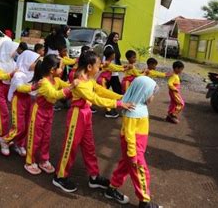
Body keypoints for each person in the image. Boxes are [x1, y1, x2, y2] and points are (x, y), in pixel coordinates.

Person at [52, 51, 134, 193]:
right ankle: (60, 176)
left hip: (85, 114)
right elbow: (95, 99)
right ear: (89, 67)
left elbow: (101, 91)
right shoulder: (80, 82)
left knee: (89, 147)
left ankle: (94, 177)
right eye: (98, 65)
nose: (100, 67)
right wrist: (119, 103)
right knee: (70, 146)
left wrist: (122, 97)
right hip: (76, 116)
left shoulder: (89, 79)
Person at [105, 76, 160, 208]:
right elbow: (129, 135)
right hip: (134, 148)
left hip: (135, 146)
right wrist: (133, 154)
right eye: (151, 93)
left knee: (124, 166)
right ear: (143, 92)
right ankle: (144, 201)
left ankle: (111, 188)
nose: (153, 97)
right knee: (141, 172)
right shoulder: (133, 111)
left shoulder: (139, 106)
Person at [24, 54, 73, 175]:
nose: (62, 69)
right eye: (60, 67)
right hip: (39, 111)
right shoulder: (44, 82)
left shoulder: (56, 80)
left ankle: (44, 160)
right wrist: (71, 87)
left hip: (48, 111)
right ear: (52, 70)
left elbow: (66, 86)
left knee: (46, 137)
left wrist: (79, 85)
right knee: (35, 137)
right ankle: (29, 161)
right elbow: (54, 95)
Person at [0, 50, 40, 156]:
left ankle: (19, 143)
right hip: (19, 101)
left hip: (29, 100)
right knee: (18, 126)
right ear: (27, 61)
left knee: (27, 125)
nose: (36, 64)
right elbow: (19, 87)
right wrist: (33, 87)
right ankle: (5, 140)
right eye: (34, 62)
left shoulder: (34, 74)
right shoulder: (18, 74)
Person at [97, 48, 126, 118]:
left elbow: (116, 66)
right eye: (114, 54)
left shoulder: (109, 63)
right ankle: (109, 111)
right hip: (102, 81)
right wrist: (125, 68)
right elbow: (116, 69)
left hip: (103, 80)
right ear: (111, 56)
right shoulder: (107, 63)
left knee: (103, 94)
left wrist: (123, 66)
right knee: (105, 95)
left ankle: (108, 109)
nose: (114, 55)